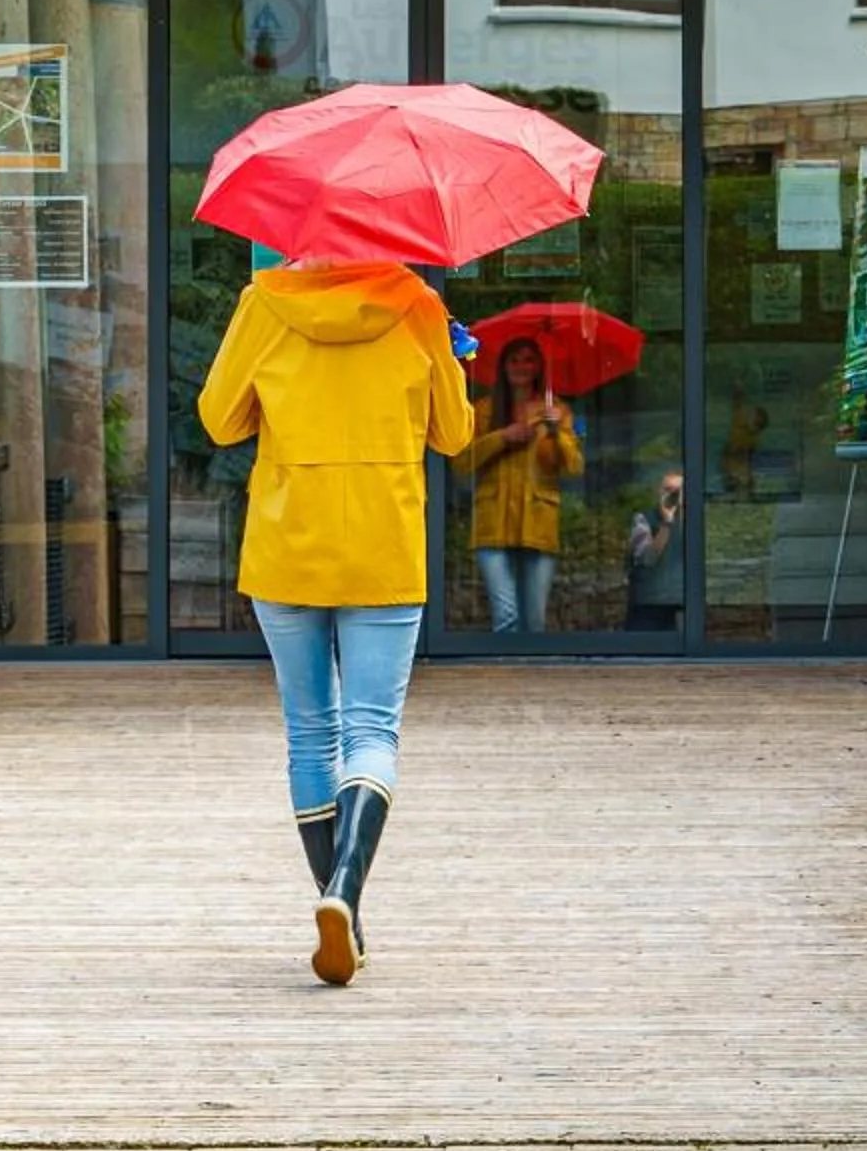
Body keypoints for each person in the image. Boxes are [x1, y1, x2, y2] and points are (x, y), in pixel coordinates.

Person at [197, 256, 474, 988]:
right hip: (383, 546)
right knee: (372, 731)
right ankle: (344, 893)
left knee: (310, 733)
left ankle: (340, 905)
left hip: (288, 545)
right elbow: (452, 435)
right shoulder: (417, 306)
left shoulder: (263, 301)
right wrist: (452, 353)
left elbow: (219, 421)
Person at [453, 338, 582, 634]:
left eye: (528, 360)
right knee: (507, 618)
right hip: (492, 523)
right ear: (503, 366)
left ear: (538, 367)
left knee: (534, 622)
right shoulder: (483, 410)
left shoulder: (557, 410)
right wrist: (503, 437)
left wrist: (557, 432)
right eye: (514, 360)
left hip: (538, 521)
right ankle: (505, 680)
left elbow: (574, 466)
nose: (521, 366)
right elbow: (460, 462)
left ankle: (533, 681)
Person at [624, 467, 688, 633]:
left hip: (682, 605)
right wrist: (667, 523)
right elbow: (646, 559)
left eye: (678, 491)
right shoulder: (643, 519)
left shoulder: (692, 520)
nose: (673, 495)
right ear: (659, 492)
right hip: (649, 606)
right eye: (668, 490)